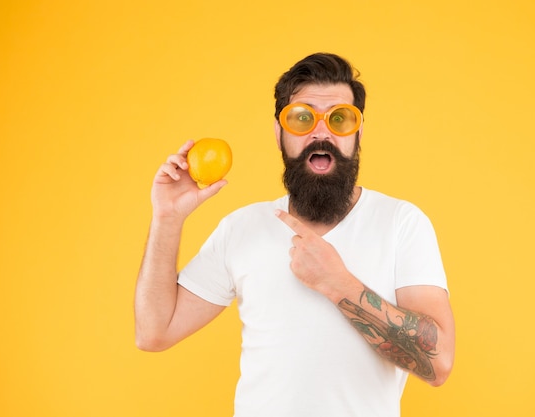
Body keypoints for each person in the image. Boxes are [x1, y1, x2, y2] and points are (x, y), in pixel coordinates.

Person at [135, 52, 455, 417]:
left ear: (358, 133)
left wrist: (338, 284)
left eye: (339, 119)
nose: (322, 132)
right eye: (302, 118)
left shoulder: (401, 223)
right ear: (279, 133)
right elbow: (154, 332)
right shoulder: (242, 228)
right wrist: (167, 218)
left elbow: (439, 363)